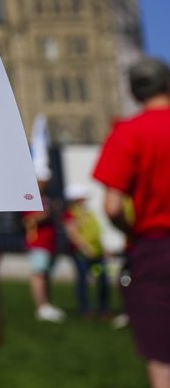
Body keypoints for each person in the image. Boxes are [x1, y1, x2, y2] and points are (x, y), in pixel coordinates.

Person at [93, 57, 170, 388]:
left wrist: (133, 233)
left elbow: (111, 207)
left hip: (153, 248)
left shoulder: (128, 132)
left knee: (160, 354)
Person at [62, 184, 111, 318]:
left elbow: (96, 232)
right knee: (83, 280)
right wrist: (85, 248)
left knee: (103, 280)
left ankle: (103, 309)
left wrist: (103, 248)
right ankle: (85, 310)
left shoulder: (88, 213)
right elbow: (72, 233)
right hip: (81, 254)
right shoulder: (70, 213)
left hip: (97, 253)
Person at [24, 178, 66, 322]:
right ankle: (41, 307)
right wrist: (46, 213)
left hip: (49, 243)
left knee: (46, 274)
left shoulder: (47, 198)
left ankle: (47, 304)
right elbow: (27, 220)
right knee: (39, 274)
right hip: (37, 242)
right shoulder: (28, 197)